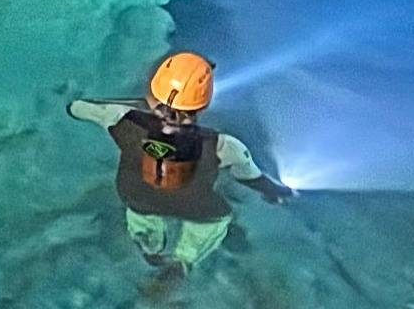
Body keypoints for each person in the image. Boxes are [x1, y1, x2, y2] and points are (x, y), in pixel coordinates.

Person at [68, 50, 292, 282]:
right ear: (203, 104)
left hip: (136, 195)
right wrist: (276, 191)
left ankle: (150, 248)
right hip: (189, 203)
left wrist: (130, 105)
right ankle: (183, 261)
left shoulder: (118, 118)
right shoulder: (224, 146)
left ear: (154, 89)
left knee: (140, 212)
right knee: (217, 218)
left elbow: (76, 108)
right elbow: (250, 177)